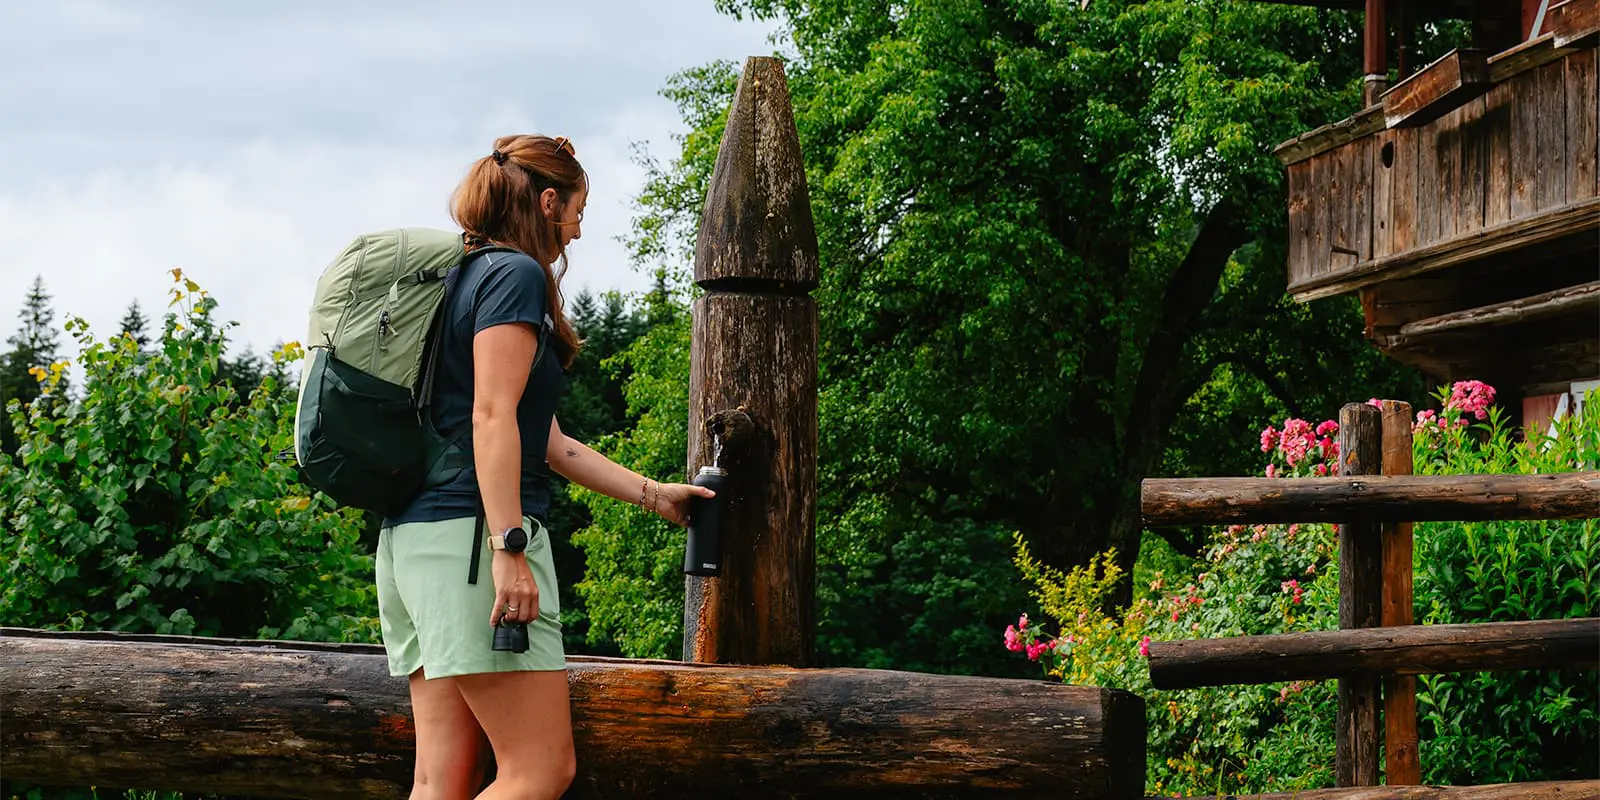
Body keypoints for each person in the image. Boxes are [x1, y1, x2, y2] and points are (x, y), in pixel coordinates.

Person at [375, 133, 714, 800]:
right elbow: (493, 418)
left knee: (442, 780)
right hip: (475, 543)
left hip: (414, 543)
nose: (579, 232)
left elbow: (547, 441)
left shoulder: (456, 280)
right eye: (579, 214)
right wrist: (509, 548)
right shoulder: (514, 276)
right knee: (538, 770)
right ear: (548, 200)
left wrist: (654, 495)